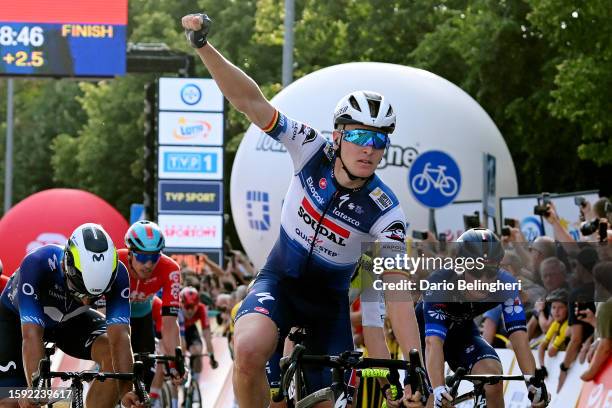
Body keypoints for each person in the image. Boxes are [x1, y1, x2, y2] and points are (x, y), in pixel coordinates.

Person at [181, 12, 423, 408]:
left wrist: (414, 367)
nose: (369, 148)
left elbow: (394, 294)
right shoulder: (310, 147)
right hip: (280, 282)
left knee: (327, 400)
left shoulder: (386, 212)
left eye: (379, 141)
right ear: (338, 135)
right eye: (360, 135)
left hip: (329, 307)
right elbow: (250, 103)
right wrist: (203, 47)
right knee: (249, 348)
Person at [0, 223, 143, 408]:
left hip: (70, 321)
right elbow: (31, 334)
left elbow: (121, 337)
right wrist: (37, 386)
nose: (86, 302)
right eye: (80, 291)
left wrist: (126, 392)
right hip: (16, 320)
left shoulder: (119, 275)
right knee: (10, 401)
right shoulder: (38, 263)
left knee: (109, 349)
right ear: (66, 265)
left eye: (94, 297)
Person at [416, 228, 548, 408]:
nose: (484, 280)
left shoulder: (506, 284)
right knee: (427, 400)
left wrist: (533, 383)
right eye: (477, 272)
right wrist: (438, 389)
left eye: (490, 272)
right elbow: (433, 342)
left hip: (462, 333)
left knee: (492, 378)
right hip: (425, 337)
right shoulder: (440, 283)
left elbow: (519, 339)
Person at [121, 220, 184, 391]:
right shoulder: (115, 261)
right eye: (142, 256)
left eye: (154, 256)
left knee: (147, 373)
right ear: (130, 253)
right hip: (117, 315)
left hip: (143, 316)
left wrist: (173, 362)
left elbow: (169, 324)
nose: (148, 264)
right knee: (114, 368)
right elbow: (101, 311)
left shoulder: (170, 268)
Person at [180, 286, 218, 380]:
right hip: (177, 330)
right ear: (181, 304)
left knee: (197, 352)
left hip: (190, 329)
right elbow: (182, 342)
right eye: (187, 307)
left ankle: (195, 384)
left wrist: (212, 357)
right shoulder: (177, 309)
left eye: (192, 307)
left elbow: (207, 336)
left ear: (197, 305)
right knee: (179, 352)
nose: (189, 311)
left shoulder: (202, 308)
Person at [537, 289, 570, 368]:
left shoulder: (567, 325)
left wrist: (554, 335)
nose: (556, 311)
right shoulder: (556, 324)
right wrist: (542, 366)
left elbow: (551, 352)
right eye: (553, 307)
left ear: (568, 309)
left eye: (561, 307)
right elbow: (541, 346)